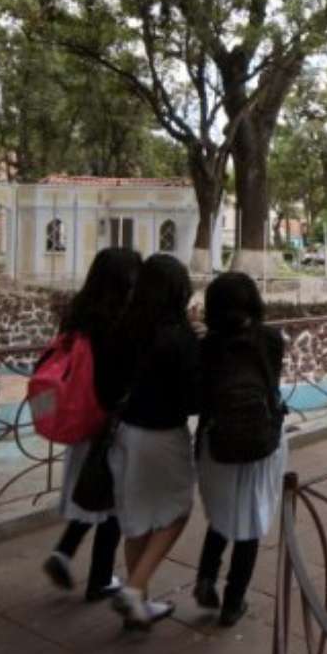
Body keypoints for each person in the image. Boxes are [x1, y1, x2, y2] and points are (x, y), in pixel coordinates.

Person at [42, 246, 141, 602]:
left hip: (79, 417)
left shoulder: (78, 314)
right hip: (110, 423)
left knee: (91, 489)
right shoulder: (123, 322)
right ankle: (100, 578)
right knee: (112, 503)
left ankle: (64, 551)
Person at [108, 254, 200, 630]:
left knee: (137, 519)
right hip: (164, 435)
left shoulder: (124, 329)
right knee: (177, 511)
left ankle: (138, 605)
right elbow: (193, 398)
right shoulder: (179, 337)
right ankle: (135, 589)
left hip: (125, 434)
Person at [192, 272, 288, 627]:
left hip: (216, 440)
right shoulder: (271, 339)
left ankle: (206, 576)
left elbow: (199, 395)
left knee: (222, 512)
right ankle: (233, 602)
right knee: (251, 517)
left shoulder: (207, 346)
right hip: (261, 439)